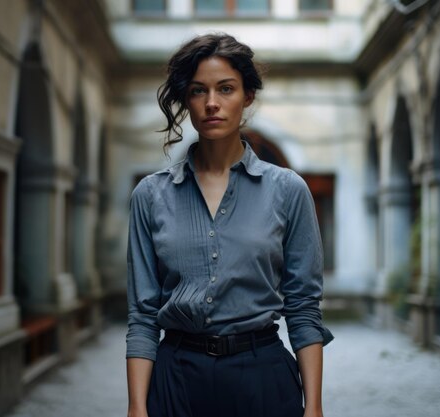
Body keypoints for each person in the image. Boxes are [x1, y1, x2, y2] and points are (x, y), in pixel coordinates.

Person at [126, 33, 333, 417]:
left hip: (262, 374)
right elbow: (142, 314)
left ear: (248, 96)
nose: (212, 104)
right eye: (198, 91)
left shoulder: (288, 190)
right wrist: (137, 407)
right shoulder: (150, 195)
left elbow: (304, 306)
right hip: (176, 377)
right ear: (186, 100)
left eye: (226, 89)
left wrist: (314, 406)